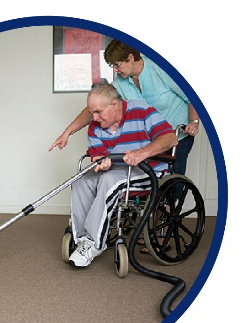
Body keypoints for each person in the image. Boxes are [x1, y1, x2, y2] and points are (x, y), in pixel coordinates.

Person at [48, 39, 199, 182]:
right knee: (153, 182)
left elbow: (191, 95)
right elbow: (96, 107)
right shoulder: (120, 82)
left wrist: (194, 122)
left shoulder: (160, 67)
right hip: (148, 138)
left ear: (131, 58)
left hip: (177, 133)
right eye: (111, 65)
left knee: (174, 183)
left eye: (117, 64)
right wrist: (68, 132)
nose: (114, 69)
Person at [68, 83, 177, 267]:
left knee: (109, 180)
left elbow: (170, 138)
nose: (93, 117)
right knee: (81, 180)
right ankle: (81, 240)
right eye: (91, 112)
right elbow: (98, 154)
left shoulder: (141, 111)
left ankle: (93, 243)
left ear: (114, 105)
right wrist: (101, 161)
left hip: (148, 170)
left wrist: (141, 153)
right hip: (116, 170)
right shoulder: (95, 126)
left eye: (98, 111)